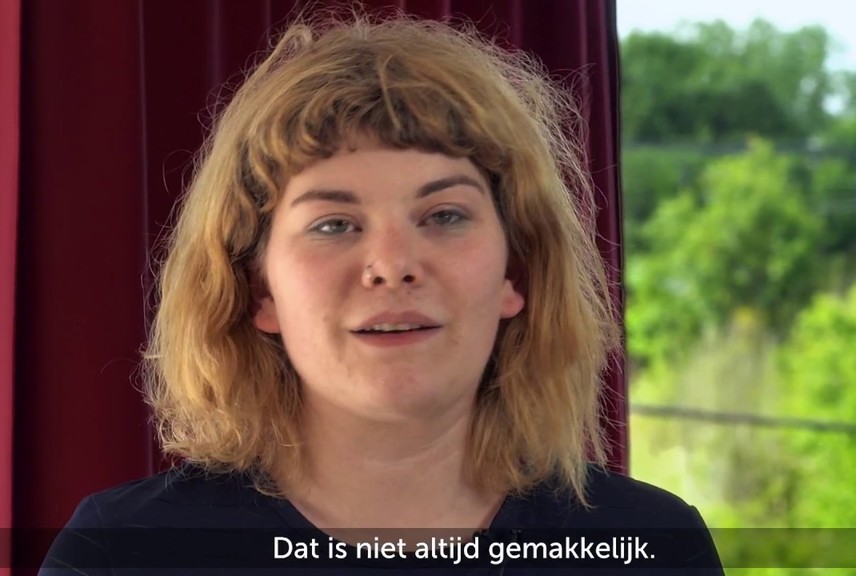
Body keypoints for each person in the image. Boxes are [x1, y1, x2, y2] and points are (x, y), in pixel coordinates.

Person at [40, 9, 724, 575]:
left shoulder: (655, 547)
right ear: (257, 290)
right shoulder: (120, 553)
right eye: (334, 224)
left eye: (444, 216)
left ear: (516, 274)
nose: (393, 265)